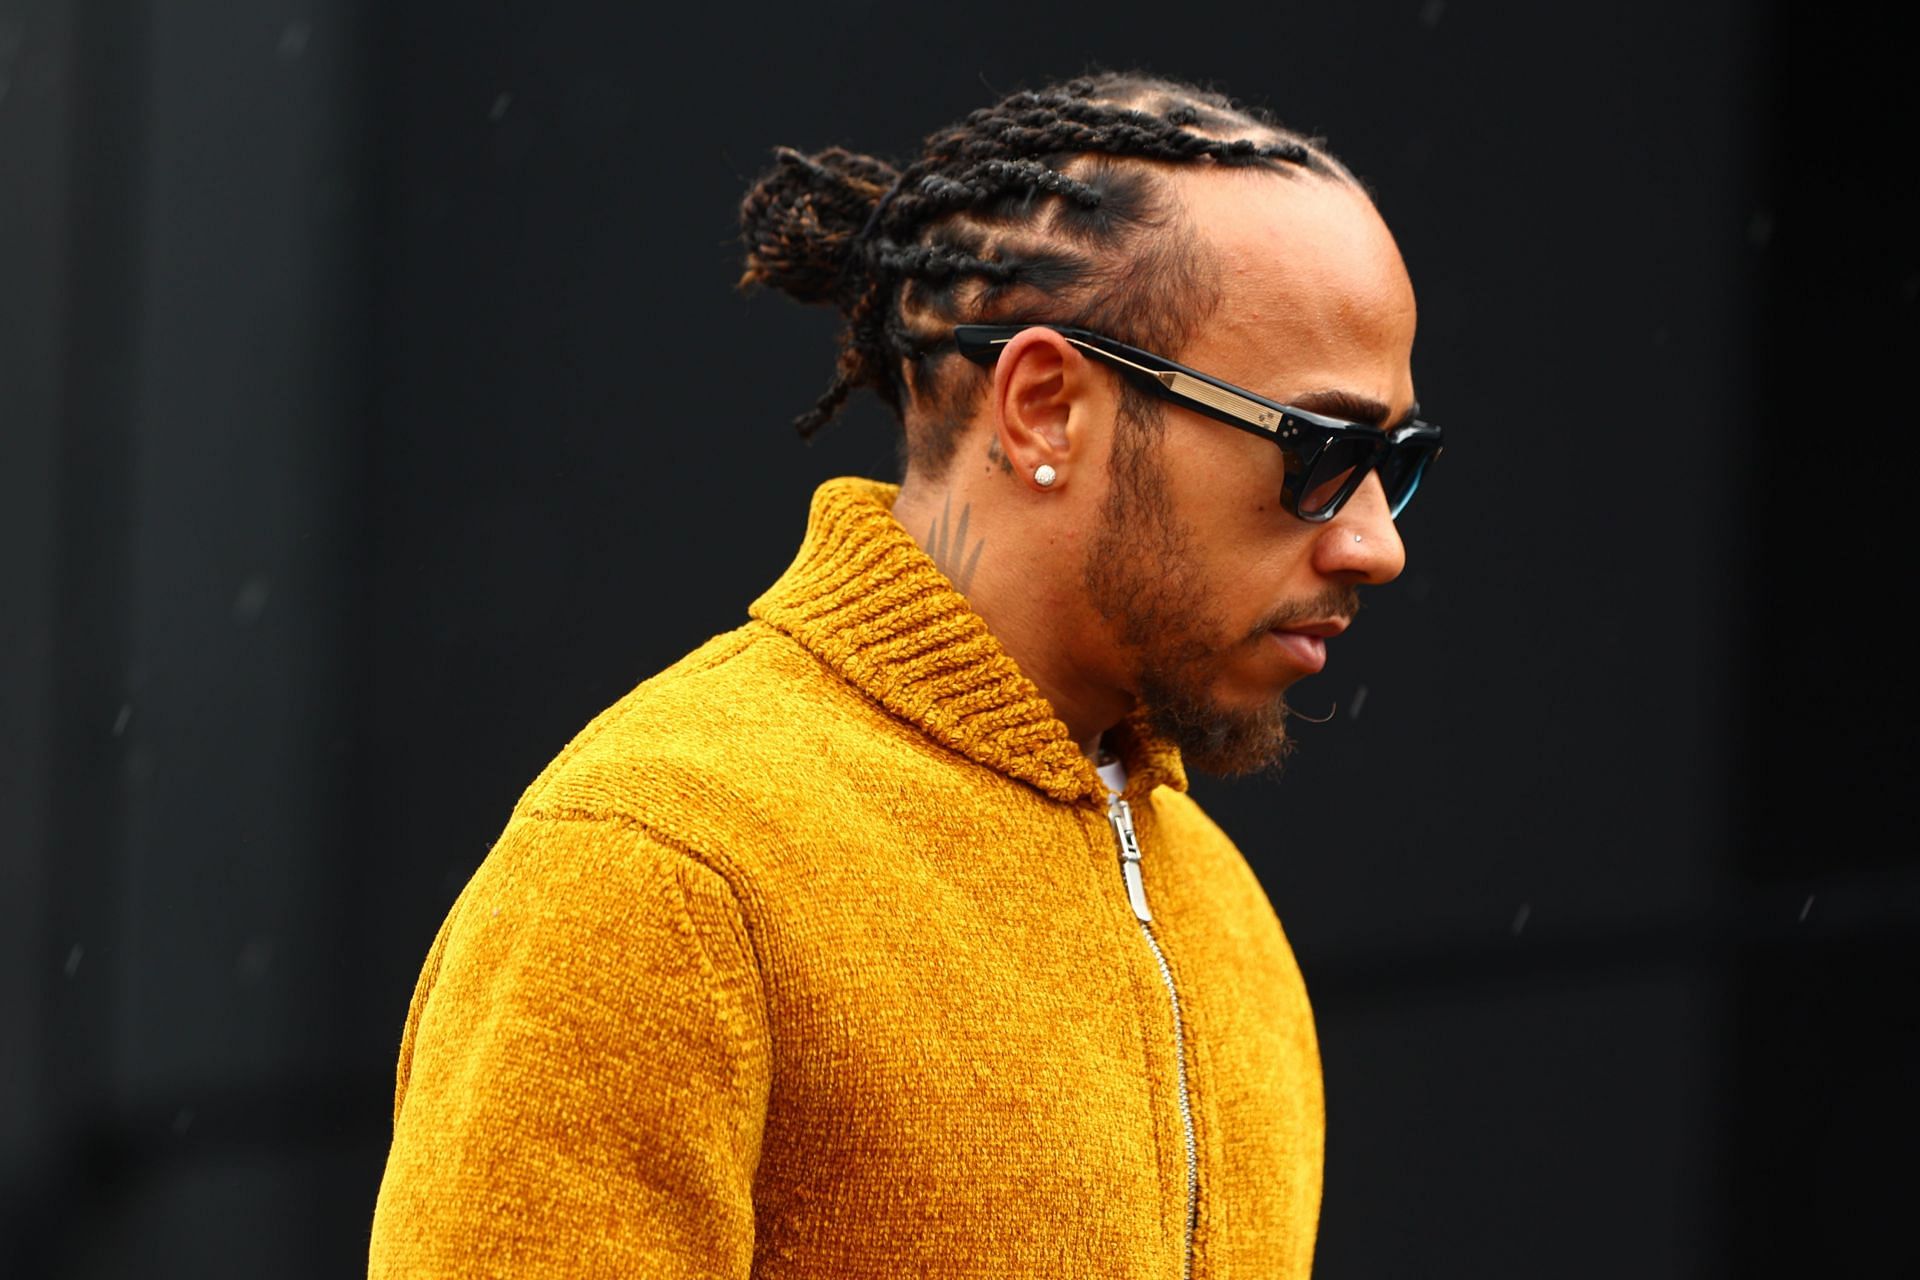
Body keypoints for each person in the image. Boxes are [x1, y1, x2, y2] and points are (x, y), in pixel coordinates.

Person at [368, 69, 1440, 1279]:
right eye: (1320, 449)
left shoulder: (1228, 916)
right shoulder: (662, 860)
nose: (1375, 541)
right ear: (1043, 407)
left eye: (1399, 460)